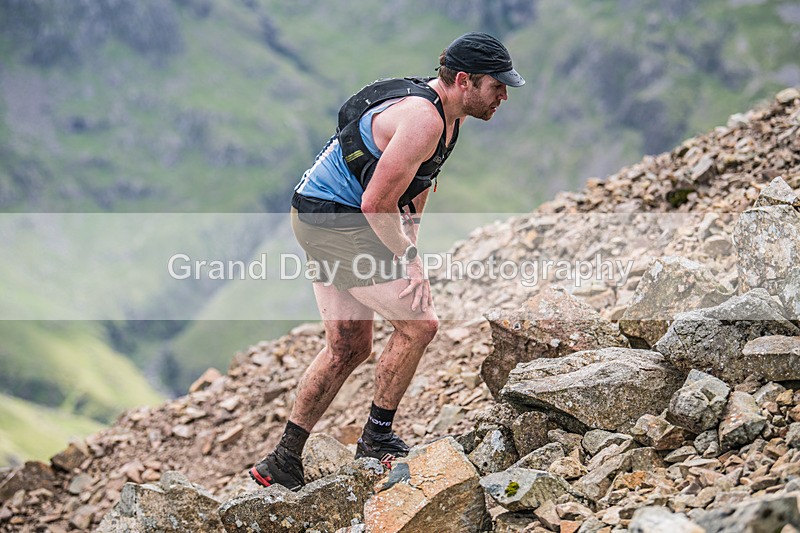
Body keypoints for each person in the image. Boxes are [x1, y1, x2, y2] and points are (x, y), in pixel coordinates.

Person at [250, 32, 524, 491]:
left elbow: (414, 187)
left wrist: (408, 250)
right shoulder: (424, 120)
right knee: (420, 325)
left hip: (318, 213)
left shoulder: (447, 117)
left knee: (349, 346)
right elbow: (377, 203)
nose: (503, 96)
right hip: (334, 220)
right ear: (464, 80)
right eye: (497, 86)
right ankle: (375, 439)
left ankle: (282, 459)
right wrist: (411, 261)